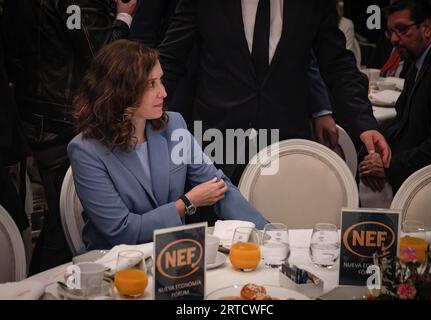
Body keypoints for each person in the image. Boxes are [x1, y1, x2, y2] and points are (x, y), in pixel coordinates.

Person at [157, 0, 391, 187]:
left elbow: (337, 64)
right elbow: (171, 59)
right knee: (216, 234)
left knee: (283, 230)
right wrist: (136, 110)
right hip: (219, 139)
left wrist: (364, 123)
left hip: (285, 140)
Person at [68, 40, 268, 250]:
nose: (163, 92)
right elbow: (122, 231)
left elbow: (219, 187)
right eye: (151, 84)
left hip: (172, 260)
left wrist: (268, 234)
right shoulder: (86, 150)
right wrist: (186, 203)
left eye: (161, 81)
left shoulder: (173, 125)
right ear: (121, 91)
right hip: (113, 267)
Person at [14, 0, 137, 274]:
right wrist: (124, 18)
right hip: (63, 120)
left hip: (38, 115)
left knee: (60, 219)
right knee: (66, 221)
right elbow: (105, 57)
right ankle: (41, 288)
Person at [359, 0, 431, 194]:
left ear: (426, 27)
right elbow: (403, 123)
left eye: (401, 30)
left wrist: (388, 166)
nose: (394, 39)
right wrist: (377, 155)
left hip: (427, 186)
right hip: (409, 170)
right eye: (391, 32)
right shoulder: (417, 62)